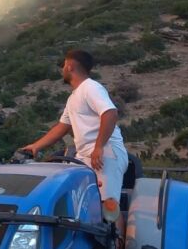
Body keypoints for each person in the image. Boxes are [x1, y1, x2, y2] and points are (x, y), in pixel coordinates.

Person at [20, 49, 129, 223]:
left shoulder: (90, 87)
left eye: (64, 65)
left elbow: (110, 113)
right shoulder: (73, 98)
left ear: (70, 66)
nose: (62, 69)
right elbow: (62, 127)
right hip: (85, 157)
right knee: (83, 206)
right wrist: (36, 146)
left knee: (108, 206)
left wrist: (99, 147)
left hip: (105, 153)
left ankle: (119, 248)